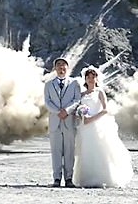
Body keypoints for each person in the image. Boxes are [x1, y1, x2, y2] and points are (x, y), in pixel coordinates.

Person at [73, 68, 133, 188]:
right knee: (86, 150)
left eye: (93, 77)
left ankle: (103, 177)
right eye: (88, 77)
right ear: (85, 79)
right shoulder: (81, 95)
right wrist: (81, 116)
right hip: (85, 127)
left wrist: (92, 119)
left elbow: (105, 109)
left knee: (100, 150)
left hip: (97, 125)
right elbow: (78, 110)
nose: (90, 79)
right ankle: (88, 178)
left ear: (96, 78)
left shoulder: (100, 92)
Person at [44, 57, 81, 188]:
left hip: (69, 121)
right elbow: (47, 102)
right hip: (55, 122)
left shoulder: (74, 83)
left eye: (63, 65)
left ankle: (69, 178)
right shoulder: (48, 84)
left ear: (67, 68)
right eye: (58, 65)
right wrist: (57, 112)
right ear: (55, 68)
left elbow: (77, 100)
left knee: (70, 151)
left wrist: (67, 111)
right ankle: (57, 178)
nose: (61, 68)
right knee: (56, 151)